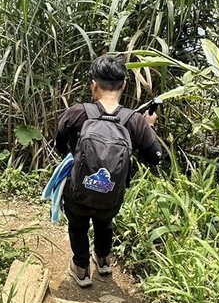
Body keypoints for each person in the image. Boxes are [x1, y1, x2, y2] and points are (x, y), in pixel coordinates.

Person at [53, 54, 161, 287]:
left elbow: (60, 145)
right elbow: (155, 158)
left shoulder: (76, 113)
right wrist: (149, 128)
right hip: (112, 194)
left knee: (78, 225)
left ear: (94, 85)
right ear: (123, 85)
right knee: (104, 222)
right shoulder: (134, 121)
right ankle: (102, 260)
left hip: (78, 192)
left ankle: (81, 269)